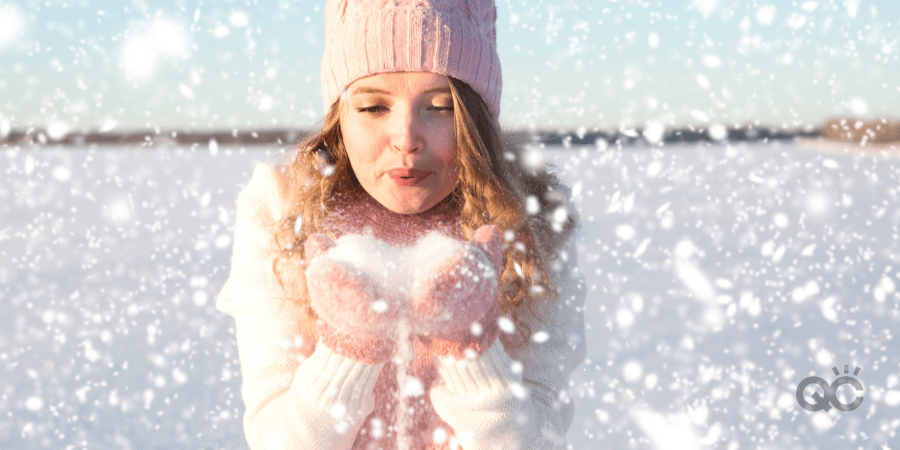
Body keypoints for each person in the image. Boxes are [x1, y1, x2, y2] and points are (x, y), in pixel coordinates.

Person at [216, 0, 586, 448]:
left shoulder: (531, 214)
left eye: (440, 107)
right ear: (341, 116)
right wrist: (348, 348)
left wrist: (471, 352)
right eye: (373, 108)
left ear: (475, 119)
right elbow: (277, 439)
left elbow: (539, 440)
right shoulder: (282, 206)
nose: (407, 138)